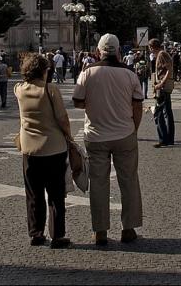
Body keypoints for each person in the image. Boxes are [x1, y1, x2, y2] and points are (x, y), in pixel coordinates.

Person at [72, 34, 144, 245]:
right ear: (118, 51)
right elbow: (138, 105)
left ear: (98, 51)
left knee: (99, 183)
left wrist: (95, 104)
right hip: (124, 133)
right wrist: (134, 129)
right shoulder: (129, 74)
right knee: (129, 180)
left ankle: (100, 231)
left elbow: (77, 102)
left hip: (96, 136)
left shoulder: (88, 73)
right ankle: (128, 229)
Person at [16, 54, 73, 249]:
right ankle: (57, 235)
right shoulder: (50, 90)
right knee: (56, 193)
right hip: (53, 147)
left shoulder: (19, 89)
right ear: (44, 70)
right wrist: (69, 136)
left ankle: (36, 233)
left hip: (29, 149)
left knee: (33, 193)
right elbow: (62, 118)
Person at [148, 38, 175, 148]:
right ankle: (169, 139)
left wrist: (161, 84)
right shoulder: (162, 53)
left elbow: (169, 70)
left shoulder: (161, 54)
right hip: (164, 87)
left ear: (152, 47)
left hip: (163, 88)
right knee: (167, 113)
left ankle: (163, 139)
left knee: (158, 113)